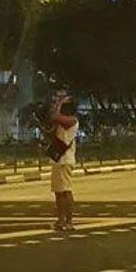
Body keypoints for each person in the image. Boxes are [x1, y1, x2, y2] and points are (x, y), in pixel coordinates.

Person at [50, 96, 79, 231]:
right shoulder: (63, 122)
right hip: (58, 159)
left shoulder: (72, 120)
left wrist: (60, 102)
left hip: (65, 159)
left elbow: (55, 116)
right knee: (58, 192)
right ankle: (61, 220)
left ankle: (69, 220)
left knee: (65, 190)